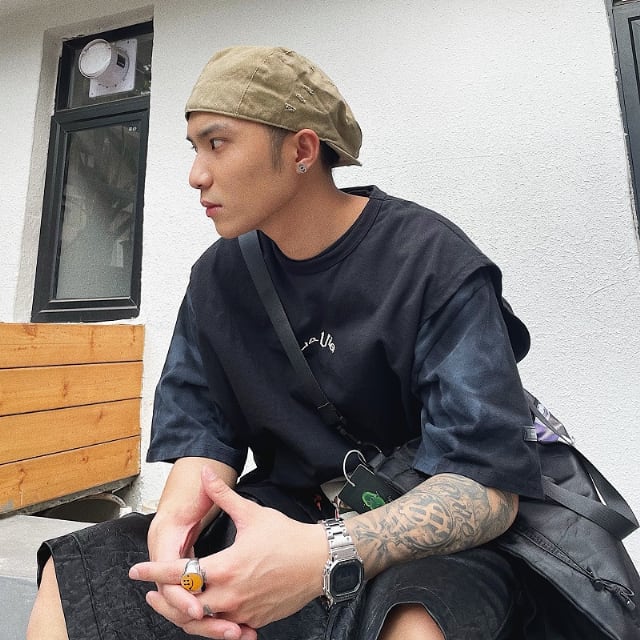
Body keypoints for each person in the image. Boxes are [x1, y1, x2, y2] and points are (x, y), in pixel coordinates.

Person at [27, 45, 543, 640]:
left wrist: (324, 552)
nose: (197, 174)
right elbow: (206, 435)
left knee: (415, 624)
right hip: (278, 512)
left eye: (217, 144)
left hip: (415, 528)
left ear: (301, 150)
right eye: (194, 148)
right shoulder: (218, 278)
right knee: (76, 579)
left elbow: (487, 487)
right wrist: (174, 535)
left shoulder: (430, 261)